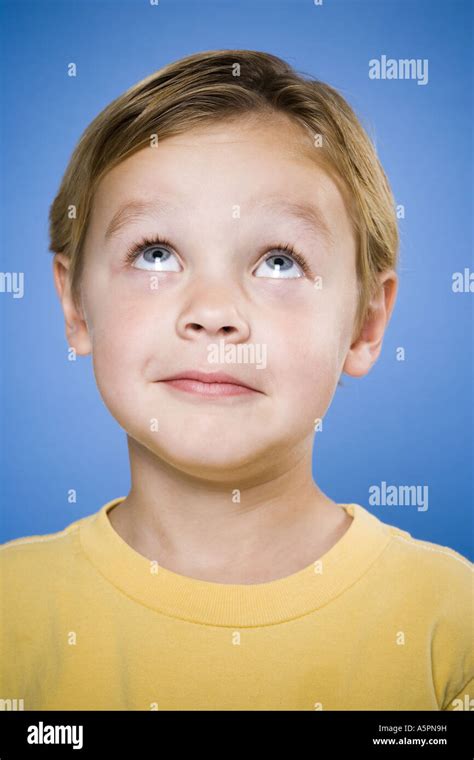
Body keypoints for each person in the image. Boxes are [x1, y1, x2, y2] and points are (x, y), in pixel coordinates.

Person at [1, 49, 472, 711]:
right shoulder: (9, 613)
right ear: (75, 305)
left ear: (366, 325)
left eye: (279, 261)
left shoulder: (453, 630)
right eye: (155, 253)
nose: (214, 314)